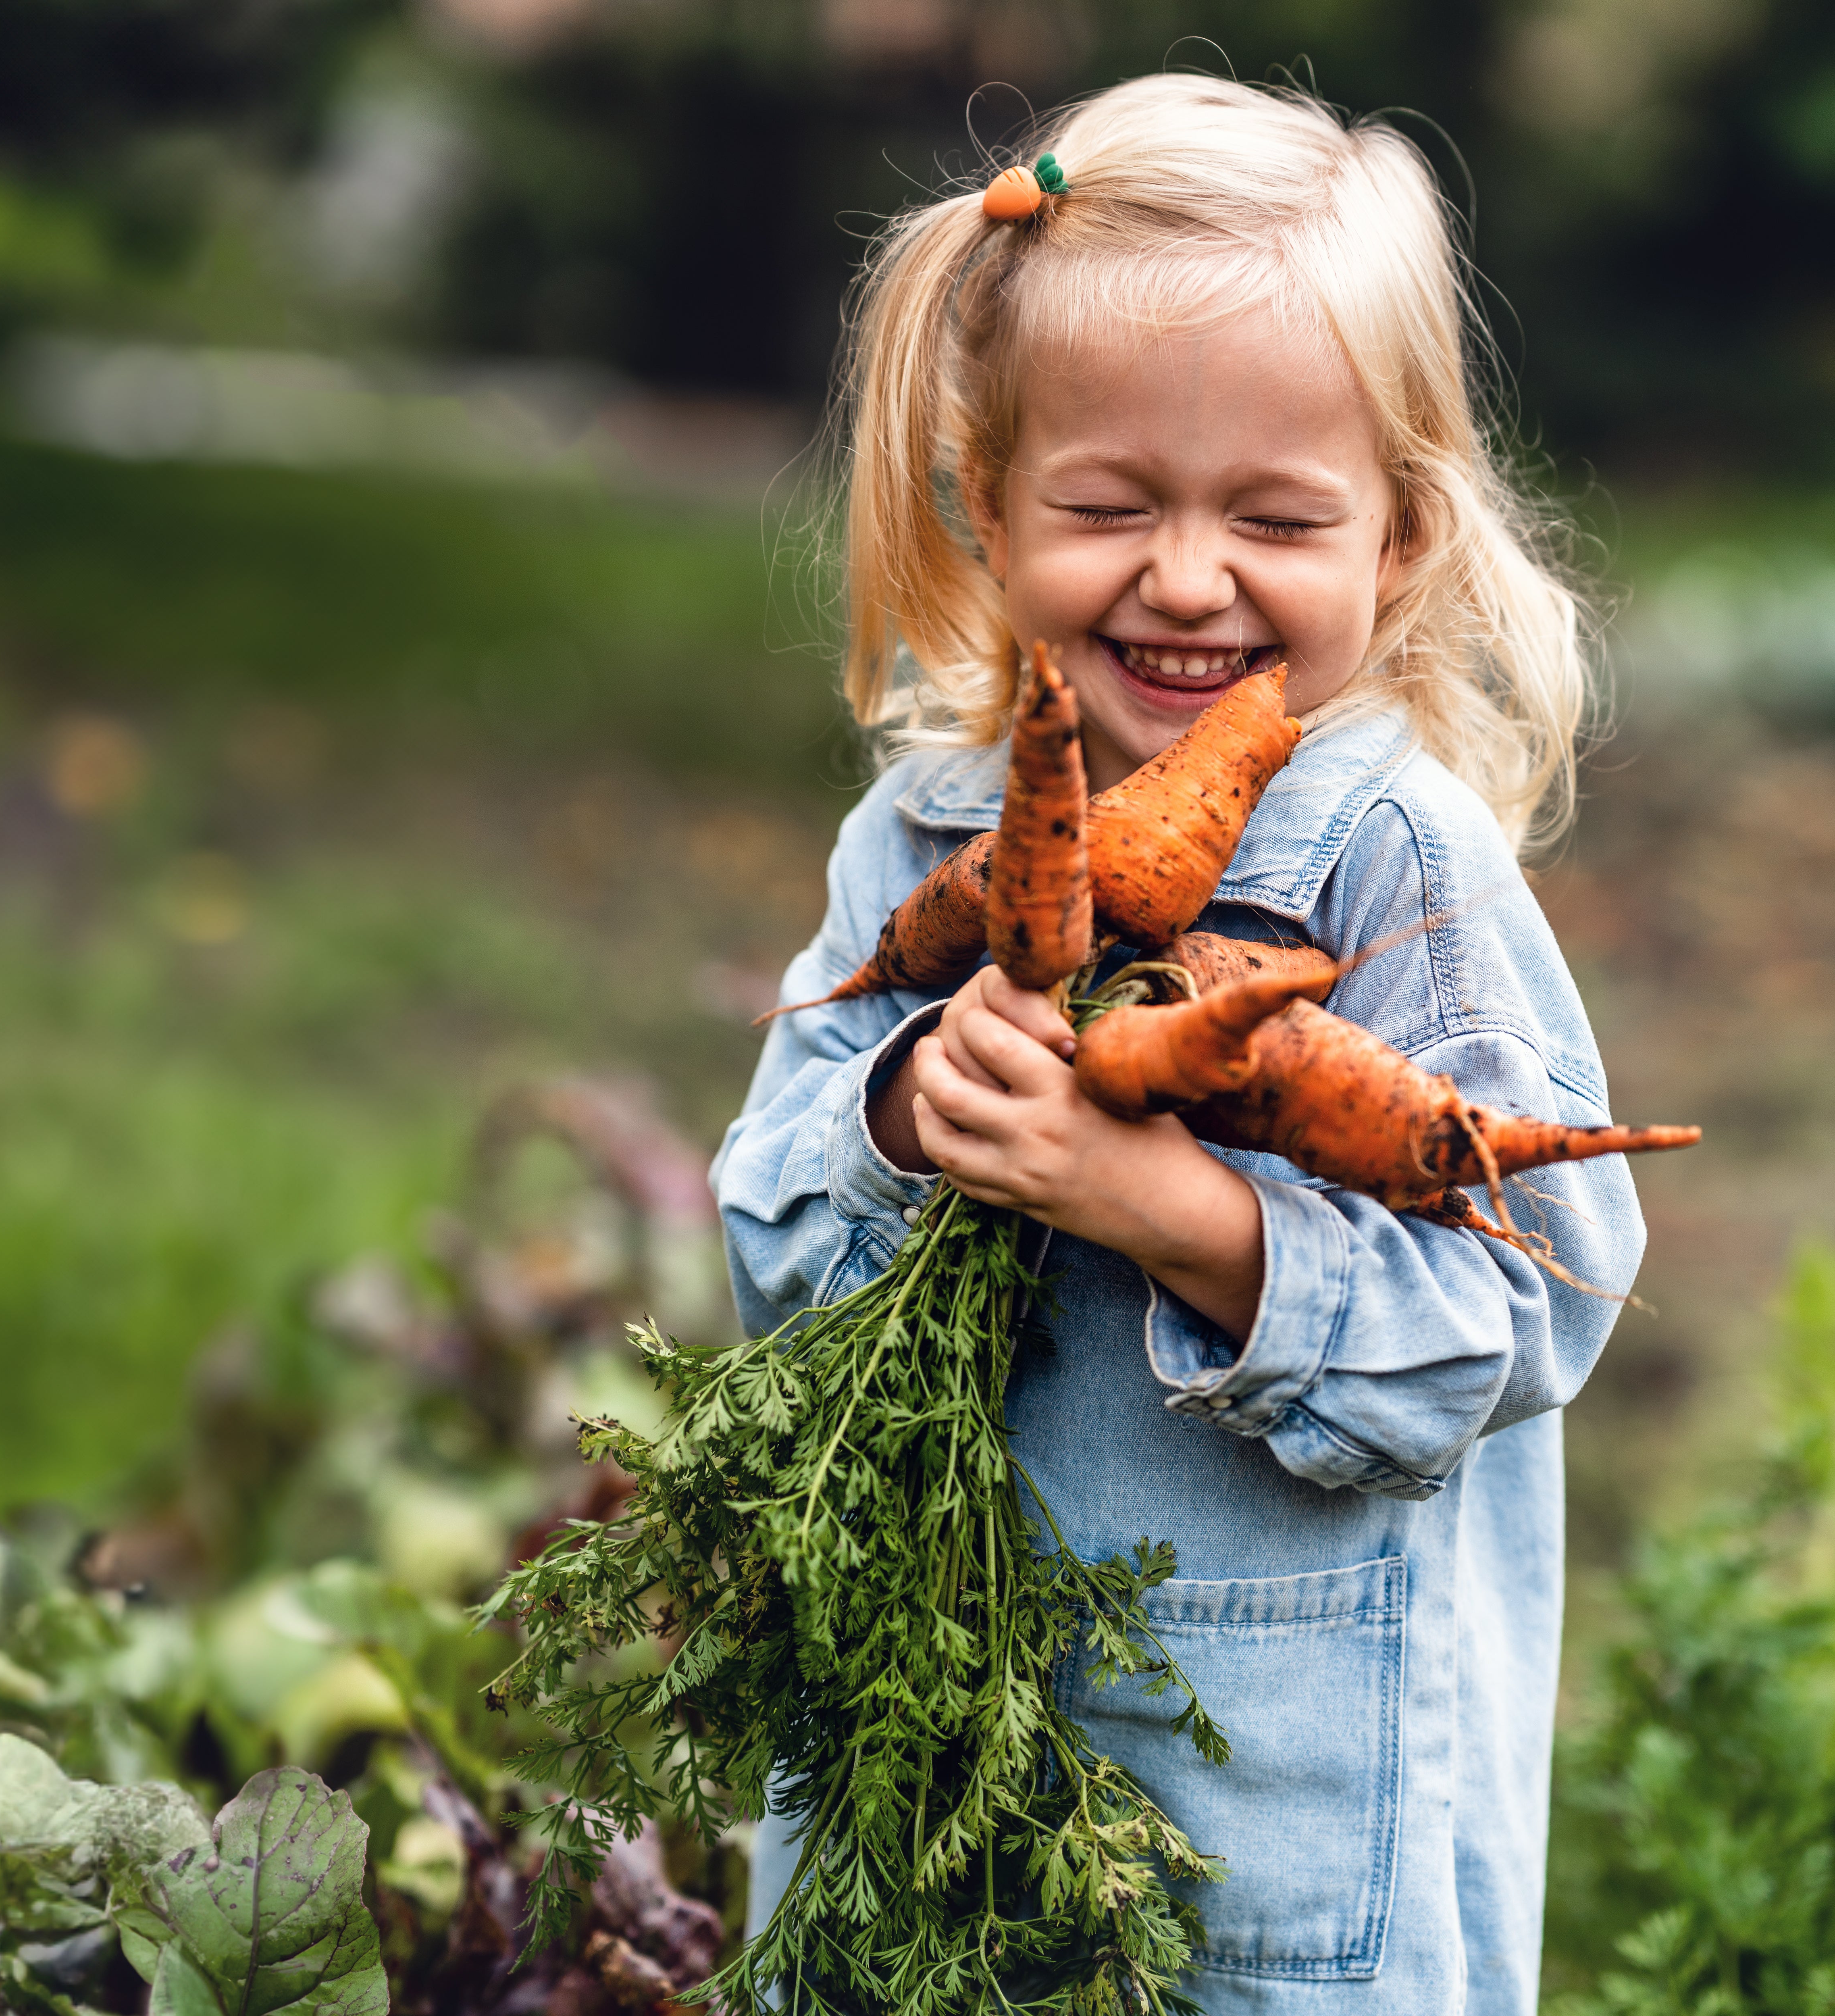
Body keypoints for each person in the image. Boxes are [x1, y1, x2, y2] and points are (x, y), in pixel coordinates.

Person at [716, 73, 1634, 2014]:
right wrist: (898, 1107)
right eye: (1112, 505)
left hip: (1266, 1840)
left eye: (1277, 516)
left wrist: (1178, 1209)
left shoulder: (1396, 863)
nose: (1191, 576)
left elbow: (1537, 1302)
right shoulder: (923, 843)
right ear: (989, 498)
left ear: (1396, 539)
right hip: (920, 1768)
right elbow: (769, 1244)